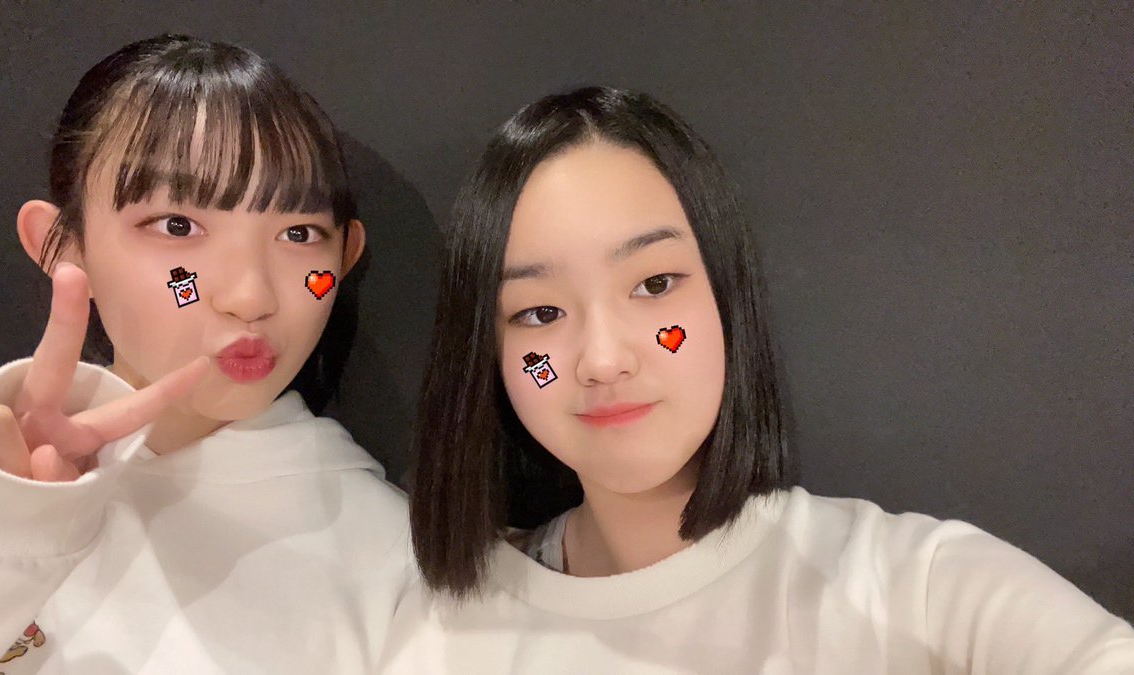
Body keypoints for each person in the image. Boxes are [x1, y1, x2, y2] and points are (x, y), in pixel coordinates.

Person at [382, 86, 1134, 673]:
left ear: (726, 295)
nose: (603, 359)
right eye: (540, 312)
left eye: (654, 284)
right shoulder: (444, 624)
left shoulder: (909, 586)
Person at [0, 34, 411, 673]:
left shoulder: (395, 561)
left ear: (343, 257)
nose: (249, 297)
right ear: (63, 246)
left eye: (299, 233)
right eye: (177, 226)